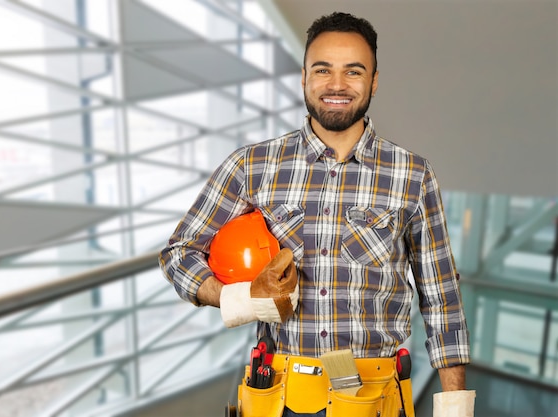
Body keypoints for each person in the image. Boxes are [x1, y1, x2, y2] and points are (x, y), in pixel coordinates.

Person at [159, 11, 474, 417]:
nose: (337, 85)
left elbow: (442, 299)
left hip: (374, 398)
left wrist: (455, 411)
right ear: (304, 77)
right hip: (279, 395)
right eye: (323, 70)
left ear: (374, 81)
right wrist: (241, 299)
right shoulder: (252, 166)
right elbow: (179, 252)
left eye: (354, 72)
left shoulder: (412, 175)